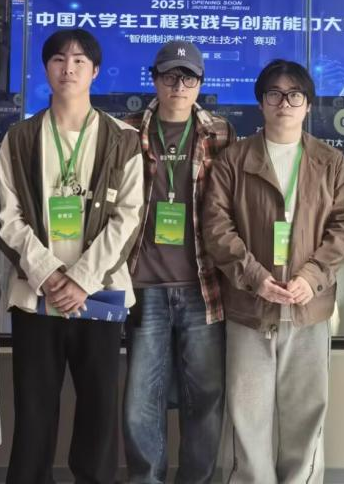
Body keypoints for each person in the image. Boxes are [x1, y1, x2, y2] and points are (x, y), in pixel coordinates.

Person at [0, 28, 144, 483]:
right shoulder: (20, 137)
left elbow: (129, 218)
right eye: (59, 59)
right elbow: (7, 217)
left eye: (80, 61)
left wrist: (80, 280)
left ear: (95, 71)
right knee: (34, 409)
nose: (69, 68)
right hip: (34, 297)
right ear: (46, 69)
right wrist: (48, 274)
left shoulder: (123, 139)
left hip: (99, 297)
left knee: (99, 408)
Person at [203, 59, 344, 484]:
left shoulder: (330, 162)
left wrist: (312, 276)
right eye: (274, 94)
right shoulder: (234, 160)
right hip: (249, 308)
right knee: (246, 416)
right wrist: (255, 277)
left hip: (309, 309)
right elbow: (216, 227)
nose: (284, 103)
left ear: (308, 104)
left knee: (306, 414)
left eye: (294, 95)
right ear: (261, 103)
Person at [121, 41, 236, 483]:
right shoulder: (126, 130)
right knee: (140, 400)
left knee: (205, 397)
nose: (179, 85)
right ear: (154, 79)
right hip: (144, 285)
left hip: (202, 286)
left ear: (201, 83)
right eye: (170, 76)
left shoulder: (220, 133)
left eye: (188, 77)